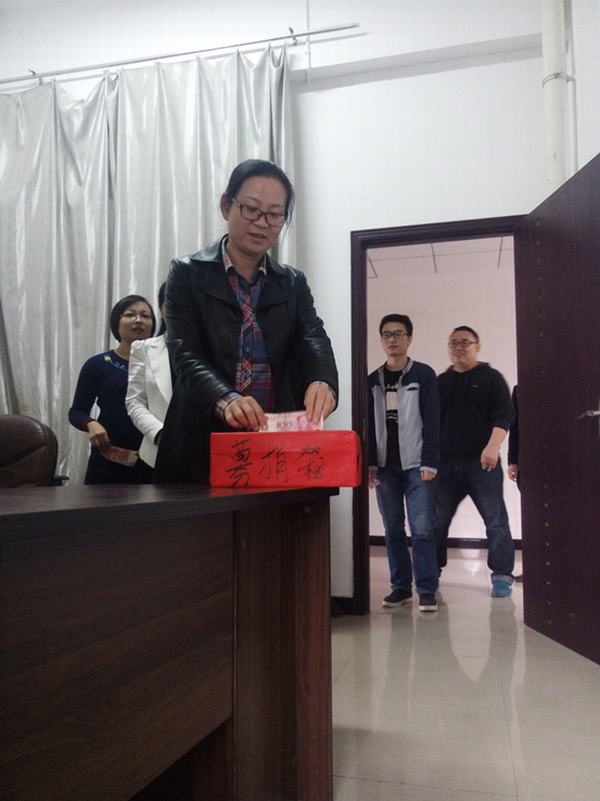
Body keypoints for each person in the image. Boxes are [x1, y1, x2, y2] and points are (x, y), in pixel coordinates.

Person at [155, 159, 338, 483]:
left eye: (274, 214)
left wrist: (322, 380)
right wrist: (226, 399)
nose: (262, 223)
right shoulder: (187, 273)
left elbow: (313, 338)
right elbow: (184, 353)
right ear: (227, 206)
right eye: (251, 209)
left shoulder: (292, 282)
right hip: (200, 443)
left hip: (272, 446)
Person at [433, 326, 515, 597]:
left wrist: (493, 446)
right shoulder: (441, 382)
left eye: (465, 342)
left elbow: (504, 415)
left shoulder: (491, 378)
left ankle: (501, 575)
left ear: (477, 347)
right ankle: (432, 572)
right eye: (453, 342)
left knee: (495, 520)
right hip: (445, 465)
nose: (458, 347)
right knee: (436, 521)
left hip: (482, 464)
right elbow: (429, 424)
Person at [368, 314, 440, 612]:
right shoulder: (373, 380)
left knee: (422, 529)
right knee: (393, 529)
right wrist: (370, 464)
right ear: (381, 340)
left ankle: (426, 589)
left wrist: (430, 461)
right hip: (385, 467)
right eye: (387, 334)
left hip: (417, 464)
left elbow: (433, 420)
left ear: (409, 339)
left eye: (398, 333)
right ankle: (400, 587)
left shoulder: (423, 374)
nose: (392, 339)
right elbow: (367, 425)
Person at [69, 295, 156, 484]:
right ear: (117, 323)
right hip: (108, 466)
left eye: (145, 316)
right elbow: (76, 411)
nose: (138, 320)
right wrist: (90, 423)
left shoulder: (163, 367)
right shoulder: (98, 364)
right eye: (130, 314)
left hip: (154, 465)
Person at [126, 282, 173, 474]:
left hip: (204, 453)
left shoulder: (212, 348)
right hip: (155, 454)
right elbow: (134, 401)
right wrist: (160, 433)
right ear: (162, 309)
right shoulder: (143, 348)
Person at [507, 384, 523, 582]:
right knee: (533, 518)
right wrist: (512, 461)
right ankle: (535, 568)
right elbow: (515, 426)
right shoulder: (520, 390)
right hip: (529, 460)